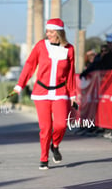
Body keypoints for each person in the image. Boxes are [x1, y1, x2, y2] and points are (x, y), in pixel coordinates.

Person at [13, 18, 77, 170]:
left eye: (51, 31)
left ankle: (55, 145)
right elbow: (30, 65)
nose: (48, 34)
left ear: (59, 33)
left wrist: (73, 94)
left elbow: (71, 73)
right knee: (46, 127)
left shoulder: (69, 49)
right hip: (41, 92)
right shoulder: (41, 46)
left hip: (60, 92)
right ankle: (44, 158)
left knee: (61, 124)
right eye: (47, 31)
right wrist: (20, 84)